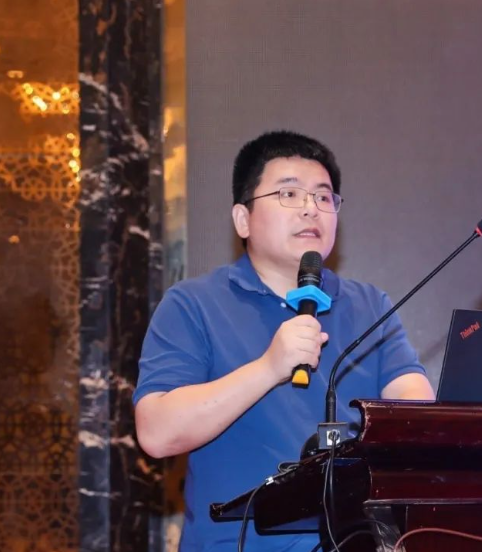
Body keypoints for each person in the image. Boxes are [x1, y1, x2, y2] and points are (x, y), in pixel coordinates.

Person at [133, 130, 435, 552]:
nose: (311, 208)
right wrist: (268, 368)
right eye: (289, 194)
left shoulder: (370, 306)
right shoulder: (193, 304)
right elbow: (157, 432)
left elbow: (413, 406)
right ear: (243, 219)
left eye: (323, 197)